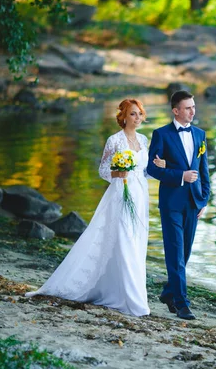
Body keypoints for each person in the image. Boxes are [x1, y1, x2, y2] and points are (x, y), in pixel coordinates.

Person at [26, 98, 165, 317]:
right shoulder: (114, 140)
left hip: (140, 195)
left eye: (139, 114)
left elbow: (145, 171)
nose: (137, 118)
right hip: (121, 194)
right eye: (132, 114)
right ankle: (132, 299)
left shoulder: (144, 140)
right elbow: (102, 170)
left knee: (136, 241)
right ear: (123, 117)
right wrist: (118, 174)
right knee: (124, 240)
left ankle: (122, 290)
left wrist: (159, 166)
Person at [146, 90, 210, 320]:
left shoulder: (200, 134)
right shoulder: (161, 134)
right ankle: (182, 303)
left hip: (193, 203)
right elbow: (152, 169)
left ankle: (168, 293)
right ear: (175, 110)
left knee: (186, 252)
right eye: (188, 108)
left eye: (193, 107)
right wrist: (180, 175)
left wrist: (204, 200)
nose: (193, 111)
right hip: (171, 203)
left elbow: (204, 171)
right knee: (175, 253)